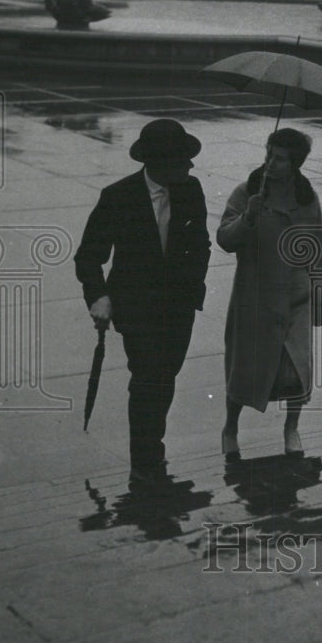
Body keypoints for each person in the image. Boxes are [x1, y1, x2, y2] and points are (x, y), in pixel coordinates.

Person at [74, 119, 211, 479]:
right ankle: (146, 460)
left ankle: (153, 447)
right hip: (136, 307)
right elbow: (89, 256)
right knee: (148, 375)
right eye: (183, 160)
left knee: (166, 376)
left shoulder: (190, 189)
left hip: (179, 306)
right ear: (158, 162)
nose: (190, 166)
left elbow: (201, 245)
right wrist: (99, 296)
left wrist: (194, 285)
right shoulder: (118, 197)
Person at [217, 128, 322, 461]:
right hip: (256, 298)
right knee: (244, 369)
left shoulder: (307, 200)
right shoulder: (246, 193)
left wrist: (317, 297)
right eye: (268, 155)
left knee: (297, 370)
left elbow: (317, 252)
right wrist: (249, 215)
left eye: (279, 158)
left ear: (296, 163)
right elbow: (224, 239)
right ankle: (230, 428)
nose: (270, 164)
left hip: (296, 299)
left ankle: (291, 428)